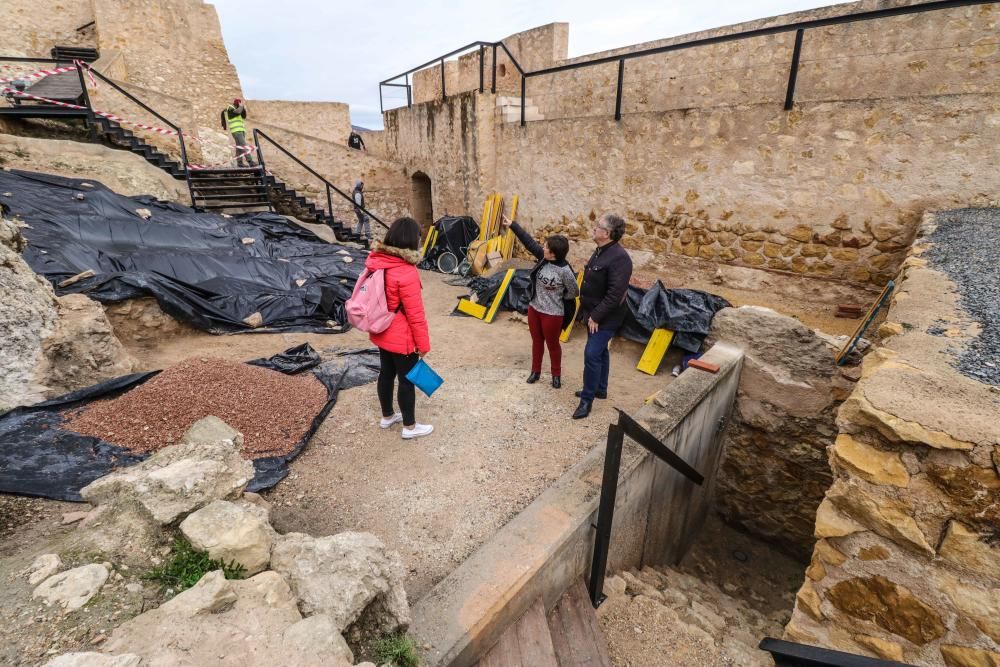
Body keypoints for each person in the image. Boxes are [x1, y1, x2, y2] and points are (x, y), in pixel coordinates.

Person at [365, 216, 433, 439]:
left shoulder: (377, 262)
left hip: (381, 328)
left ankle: (387, 416)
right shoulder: (406, 271)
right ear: (410, 240)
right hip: (401, 335)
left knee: (386, 373)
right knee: (407, 379)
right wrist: (423, 344)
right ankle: (410, 427)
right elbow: (416, 315)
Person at [500, 215, 579, 388]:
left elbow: (573, 292)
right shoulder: (543, 259)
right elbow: (529, 243)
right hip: (534, 309)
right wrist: (513, 225)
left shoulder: (565, 271)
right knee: (536, 341)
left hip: (553, 314)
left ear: (553, 254)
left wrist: (556, 299)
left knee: (552, 344)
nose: (542, 248)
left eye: (546, 247)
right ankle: (535, 371)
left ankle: (556, 375)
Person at [572, 213, 633, 419]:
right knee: (600, 352)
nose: (594, 229)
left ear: (606, 233)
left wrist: (596, 316)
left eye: (598, 227)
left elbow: (615, 294)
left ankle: (586, 401)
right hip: (593, 313)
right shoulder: (600, 251)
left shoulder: (620, 258)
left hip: (606, 316)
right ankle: (600, 388)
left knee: (591, 354)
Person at [220, 99, 256, 168]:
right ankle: (250, 161)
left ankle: (240, 163)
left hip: (241, 130)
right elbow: (238, 112)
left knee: (239, 147)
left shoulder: (238, 109)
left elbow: (244, 116)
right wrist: (241, 106)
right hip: (236, 131)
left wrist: (243, 108)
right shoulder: (230, 108)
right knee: (243, 145)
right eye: (239, 103)